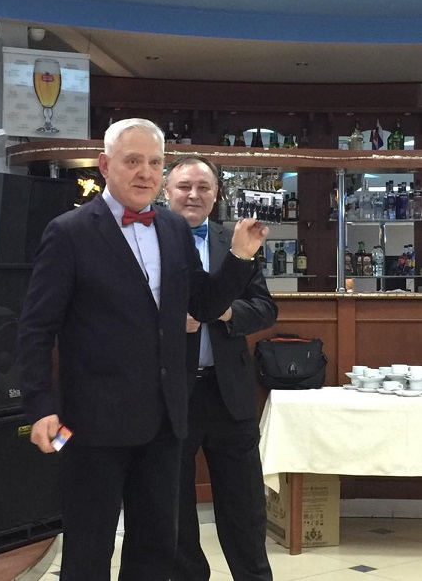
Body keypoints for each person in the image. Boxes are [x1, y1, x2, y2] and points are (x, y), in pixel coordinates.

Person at [16, 119, 268, 581]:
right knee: (88, 551)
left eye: (154, 162)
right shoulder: (69, 231)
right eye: (133, 161)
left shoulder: (172, 227)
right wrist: (40, 406)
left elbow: (202, 305)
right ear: (105, 165)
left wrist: (239, 257)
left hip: (165, 422)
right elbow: (36, 327)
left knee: (155, 549)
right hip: (91, 423)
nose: (145, 172)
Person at [164, 154, 277, 581]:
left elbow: (265, 308)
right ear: (166, 191)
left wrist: (224, 311)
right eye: (184, 186)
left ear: (216, 195)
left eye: (203, 187)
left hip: (229, 393)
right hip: (170, 394)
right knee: (174, 507)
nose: (193, 195)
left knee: (245, 507)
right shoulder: (145, 240)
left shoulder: (237, 240)